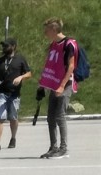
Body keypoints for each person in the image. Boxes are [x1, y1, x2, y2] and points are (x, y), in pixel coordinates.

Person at [37, 17, 78, 158]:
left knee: (60, 115)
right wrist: (42, 84)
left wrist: (61, 86)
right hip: (54, 84)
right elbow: (50, 65)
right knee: (50, 117)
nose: (45, 33)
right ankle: (53, 147)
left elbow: (71, 66)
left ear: (54, 30)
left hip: (65, 84)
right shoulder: (53, 45)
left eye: (47, 30)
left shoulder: (69, 44)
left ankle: (63, 148)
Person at [0, 37, 32, 151]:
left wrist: (21, 77)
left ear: (13, 46)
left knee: (13, 117)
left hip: (14, 93)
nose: (4, 48)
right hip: (1, 92)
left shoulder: (20, 59)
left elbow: (29, 74)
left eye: (6, 46)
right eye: (3, 46)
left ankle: (13, 138)